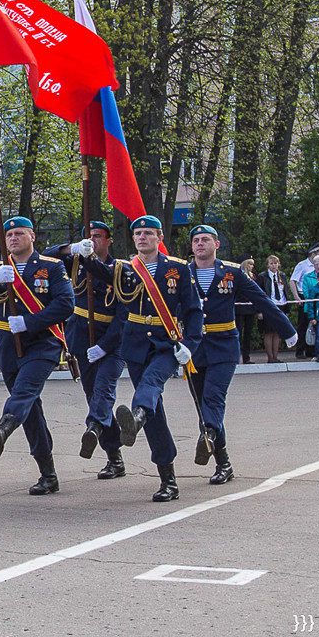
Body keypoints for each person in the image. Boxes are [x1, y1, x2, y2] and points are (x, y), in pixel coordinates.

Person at [97, 215, 203, 502]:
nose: (142, 237)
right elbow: (99, 272)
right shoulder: (126, 268)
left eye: (148, 233)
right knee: (155, 414)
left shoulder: (178, 268)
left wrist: (190, 344)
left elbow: (193, 310)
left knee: (152, 382)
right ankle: (168, 479)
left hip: (166, 342)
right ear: (133, 239)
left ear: (159, 238)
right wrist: (80, 253)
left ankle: (137, 415)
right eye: (138, 233)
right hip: (135, 344)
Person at [186, 225, 296, 484]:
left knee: (213, 397)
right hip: (193, 348)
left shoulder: (233, 272)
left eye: (205, 239)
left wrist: (287, 330)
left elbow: (262, 300)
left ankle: (209, 435)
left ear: (216, 244)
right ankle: (223, 462)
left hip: (223, 345)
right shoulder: (181, 272)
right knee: (203, 406)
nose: (200, 243)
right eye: (196, 240)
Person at [0, 217, 75, 496]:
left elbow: (65, 304)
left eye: (19, 233)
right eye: (9, 234)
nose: (13, 238)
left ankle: (4, 428)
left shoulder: (51, 266)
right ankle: (48, 474)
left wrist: (30, 322)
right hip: (9, 348)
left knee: (24, 391)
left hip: (42, 344)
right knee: (31, 412)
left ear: (32, 236)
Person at [51, 221, 128, 480]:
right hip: (82, 340)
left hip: (112, 342)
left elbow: (124, 315)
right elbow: (44, 257)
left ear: (108, 241)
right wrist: (71, 248)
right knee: (94, 395)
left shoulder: (120, 270)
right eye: (89, 236)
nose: (93, 240)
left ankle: (93, 427)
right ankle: (114, 457)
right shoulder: (75, 264)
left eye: (97, 236)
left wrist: (105, 346)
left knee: (104, 389)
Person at [289, 244, 319, 359]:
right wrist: (297, 297)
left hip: (316, 296)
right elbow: (292, 281)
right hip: (304, 296)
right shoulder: (302, 265)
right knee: (303, 325)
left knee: (314, 324)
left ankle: (311, 350)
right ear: (313, 254)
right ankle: (300, 350)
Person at [257, 255, 291, 364]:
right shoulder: (263, 276)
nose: (274, 266)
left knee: (277, 332)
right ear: (268, 265)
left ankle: (276, 356)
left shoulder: (282, 276)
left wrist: (287, 309)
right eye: (271, 263)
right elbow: (259, 294)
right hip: (269, 306)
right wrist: (259, 311)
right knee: (269, 332)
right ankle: (270, 357)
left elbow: (285, 292)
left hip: (281, 305)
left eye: (275, 263)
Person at [236, 259, 257, 363]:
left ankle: (246, 357)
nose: (251, 266)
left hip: (250, 308)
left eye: (252, 265)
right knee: (238, 333)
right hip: (240, 307)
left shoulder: (253, 276)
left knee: (248, 333)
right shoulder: (239, 276)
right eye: (249, 264)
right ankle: (236, 356)